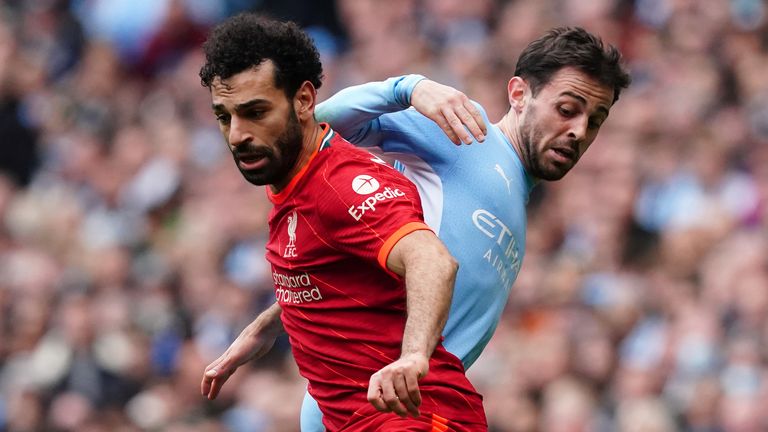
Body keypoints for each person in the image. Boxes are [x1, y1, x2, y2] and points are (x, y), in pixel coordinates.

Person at [202, 24, 631, 431]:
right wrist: (407, 88)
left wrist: (270, 323)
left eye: (594, 120)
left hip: (397, 405)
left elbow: (373, 274)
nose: (577, 131)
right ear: (519, 94)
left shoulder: (520, 198)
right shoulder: (469, 133)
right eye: (567, 109)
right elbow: (316, 123)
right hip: (373, 397)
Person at [197, 13, 487, 432]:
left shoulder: (342, 185)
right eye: (225, 117)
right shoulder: (292, 177)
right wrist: (268, 325)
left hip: (417, 418)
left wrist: (413, 356)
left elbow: (433, 260)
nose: (238, 134)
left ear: (303, 101)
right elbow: (340, 279)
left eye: (255, 112)